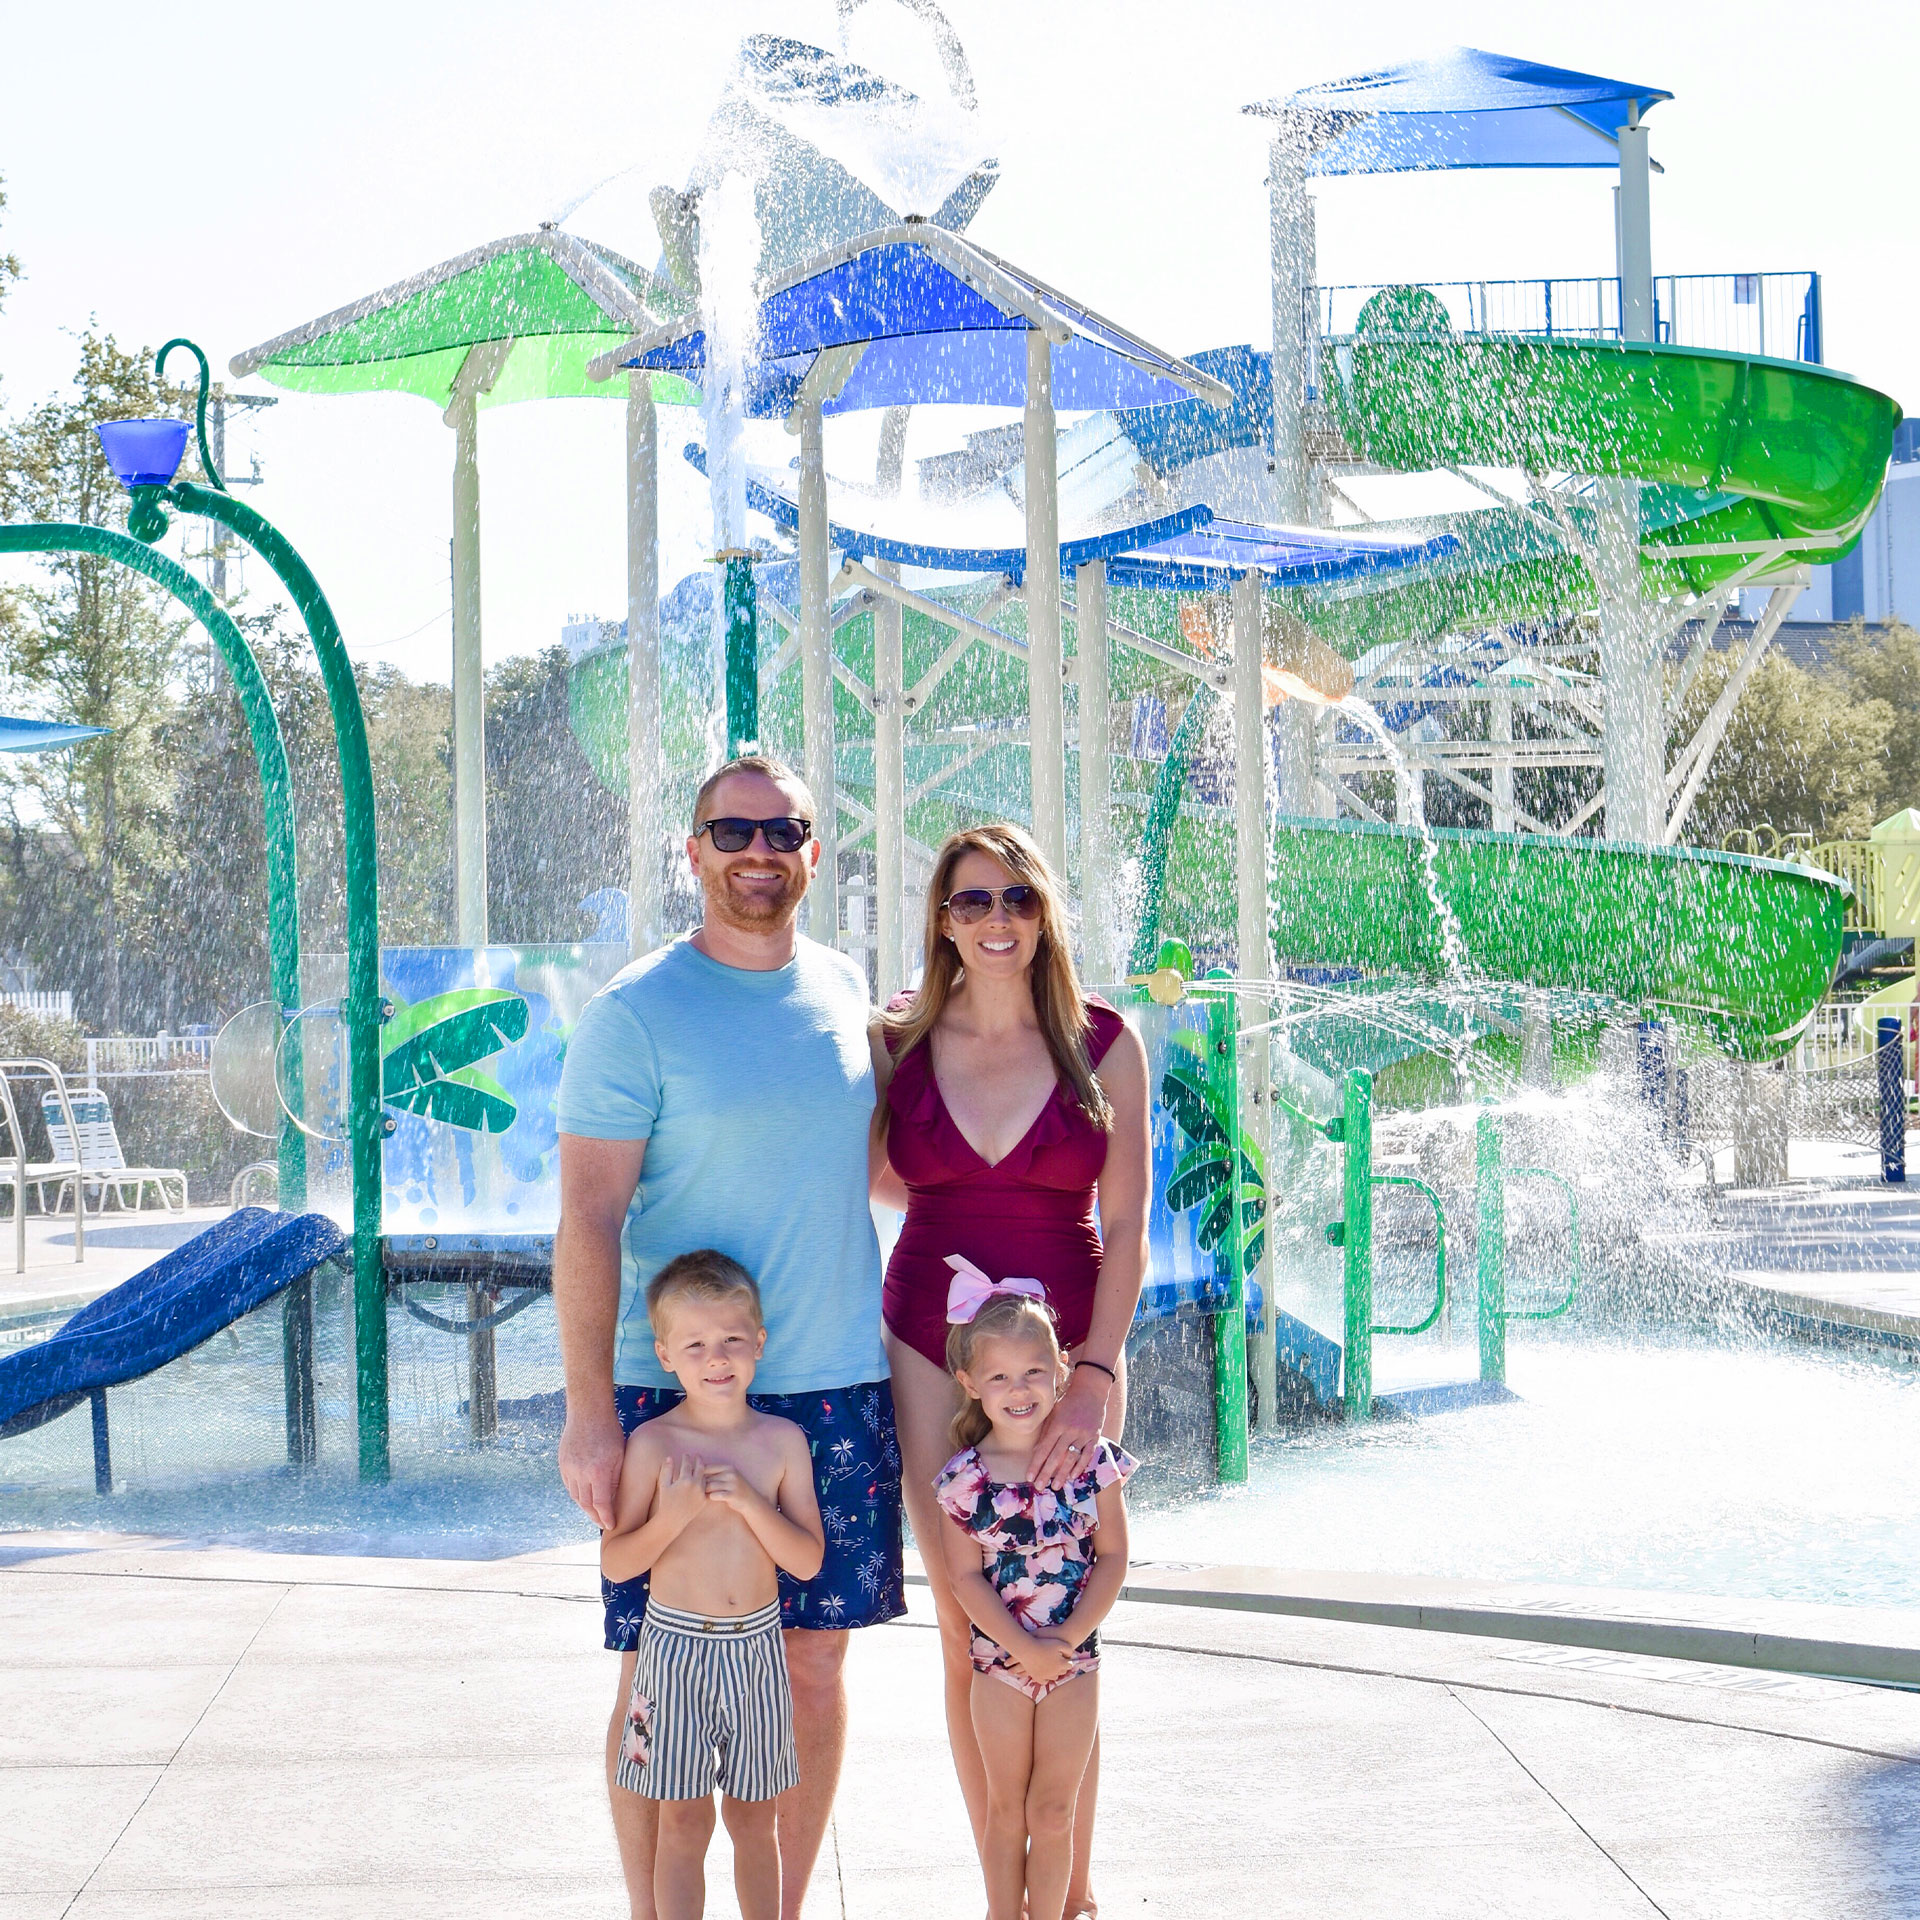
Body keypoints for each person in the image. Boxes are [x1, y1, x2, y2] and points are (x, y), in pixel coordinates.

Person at [555, 754, 903, 1920]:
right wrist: (591, 1412)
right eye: (732, 829)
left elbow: (887, 1173)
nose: (759, 849)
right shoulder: (634, 1013)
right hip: (679, 1400)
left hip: (835, 1384)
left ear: (814, 850)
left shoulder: (845, 988)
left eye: (783, 829)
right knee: (658, 1672)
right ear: (692, 850)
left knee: (814, 1663)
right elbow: (590, 1217)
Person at [871, 822, 1150, 1919]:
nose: (998, 921)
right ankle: (1003, 1886)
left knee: (1077, 1606)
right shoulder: (898, 1039)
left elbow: (1125, 1226)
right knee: (963, 1617)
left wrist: (1094, 1371)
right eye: (974, 901)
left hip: (1070, 1350)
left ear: (1045, 915)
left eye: (1018, 900)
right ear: (941, 918)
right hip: (931, 1348)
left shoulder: (1103, 1040)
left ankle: (1069, 1888)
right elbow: (879, 1183)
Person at [602, 1251, 826, 1920]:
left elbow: (809, 1561)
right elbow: (617, 1564)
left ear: (759, 1342)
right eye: (696, 1344)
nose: (716, 1356)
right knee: (683, 1824)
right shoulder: (651, 1444)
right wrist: (670, 1519)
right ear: (666, 1354)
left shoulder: (782, 1442)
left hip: (756, 1651)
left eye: (732, 1339)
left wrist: (756, 1505)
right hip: (671, 1654)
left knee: (756, 1823)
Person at [934, 1277, 1136, 1920]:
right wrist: (1022, 1646)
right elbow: (965, 1580)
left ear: (1061, 1372)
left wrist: (1066, 1643)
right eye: (998, 1378)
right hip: (1000, 1665)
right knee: (1006, 1807)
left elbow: (1113, 1558)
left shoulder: (1091, 1461)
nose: (1018, 1390)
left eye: (1032, 1372)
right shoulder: (964, 1479)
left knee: (1054, 1809)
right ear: (969, 1383)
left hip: (1074, 1662)